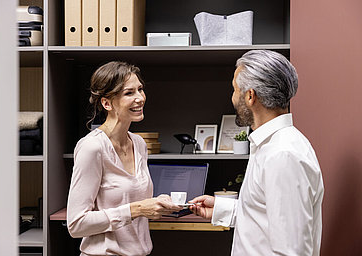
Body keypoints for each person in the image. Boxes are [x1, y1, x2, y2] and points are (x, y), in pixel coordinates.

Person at [190, 50, 324, 256]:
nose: (233, 98)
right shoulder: (270, 146)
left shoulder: (282, 154)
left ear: (250, 96)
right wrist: (220, 208)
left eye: (235, 90)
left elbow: (291, 251)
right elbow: (265, 219)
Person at [67, 61, 182, 256]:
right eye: (129, 93)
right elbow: (76, 224)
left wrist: (156, 203)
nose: (140, 98)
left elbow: (133, 199)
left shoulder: (139, 144)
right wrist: (136, 209)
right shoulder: (92, 147)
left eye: (140, 89)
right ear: (106, 103)